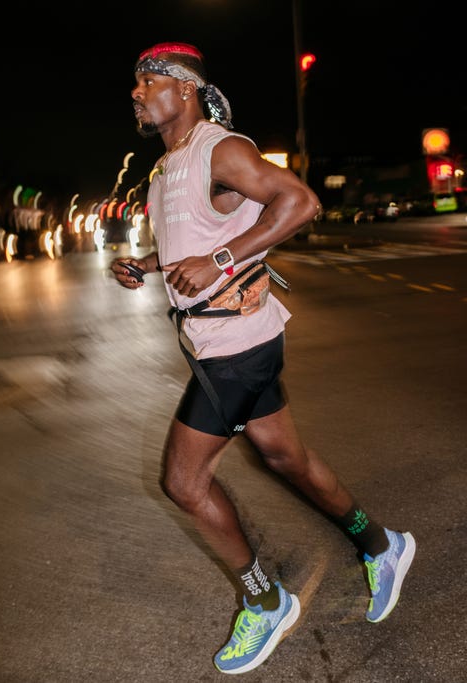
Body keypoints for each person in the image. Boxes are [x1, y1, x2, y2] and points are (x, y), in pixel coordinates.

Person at [111, 42, 416, 676]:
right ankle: (381, 545)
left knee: (183, 482)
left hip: (238, 345)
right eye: (135, 85)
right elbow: (197, 240)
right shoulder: (168, 167)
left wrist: (221, 263)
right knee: (286, 459)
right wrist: (146, 264)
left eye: (147, 81)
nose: (136, 93)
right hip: (219, 339)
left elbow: (301, 203)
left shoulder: (220, 149)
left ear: (186, 88)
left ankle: (266, 600)